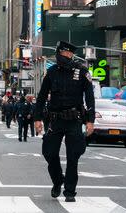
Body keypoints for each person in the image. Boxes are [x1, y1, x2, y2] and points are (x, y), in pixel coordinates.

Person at [34, 41, 95, 203]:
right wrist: (37, 118)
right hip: (55, 119)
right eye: (62, 54)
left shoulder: (82, 71)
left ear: (71, 55)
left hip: (74, 120)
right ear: (58, 54)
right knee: (49, 153)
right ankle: (57, 181)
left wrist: (90, 121)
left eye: (68, 54)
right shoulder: (51, 72)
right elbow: (41, 97)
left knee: (73, 156)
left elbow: (89, 98)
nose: (65, 57)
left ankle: (70, 191)